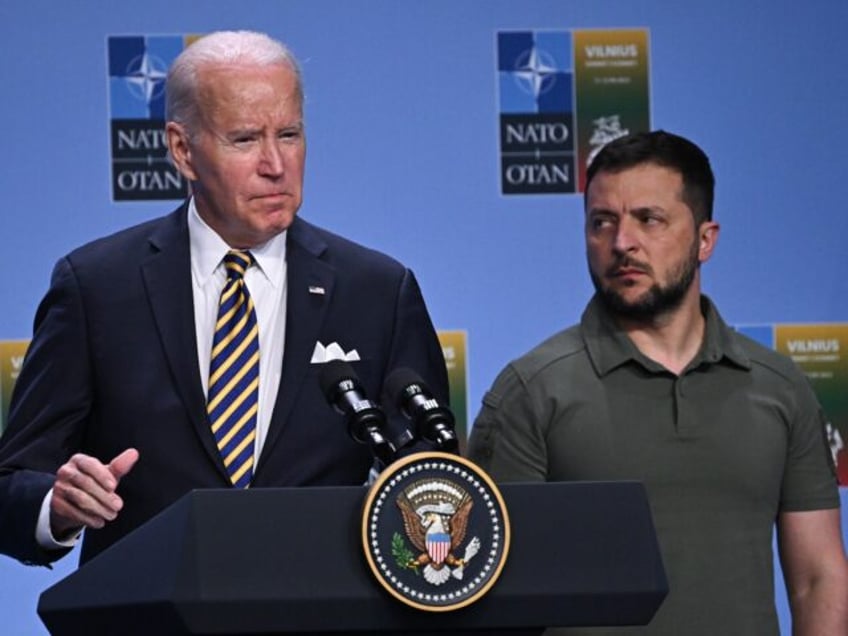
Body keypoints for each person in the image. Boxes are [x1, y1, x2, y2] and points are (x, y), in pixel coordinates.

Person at [0, 30, 448, 567]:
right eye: (244, 139)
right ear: (182, 150)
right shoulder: (97, 287)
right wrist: (59, 505)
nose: (276, 164)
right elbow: (12, 485)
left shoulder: (377, 291)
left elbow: (431, 479)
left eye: (289, 134)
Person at [468, 130, 848, 635]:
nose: (622, 242)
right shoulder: (532, 390)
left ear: (705, 239)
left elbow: (818, 581)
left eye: (649, 219)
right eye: (602, 223)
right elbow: (486, 593)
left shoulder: (780, 387)